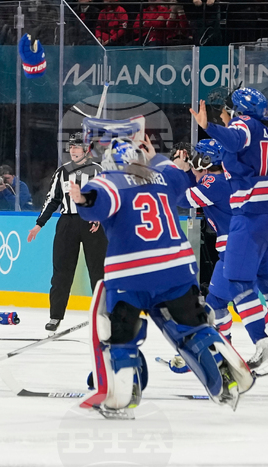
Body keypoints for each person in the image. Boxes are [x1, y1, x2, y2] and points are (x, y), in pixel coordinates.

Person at [72, 134, 253, 418]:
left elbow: (96, 203)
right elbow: (183, 181)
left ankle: (125, 387)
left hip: (131, 271)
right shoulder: (161, 175)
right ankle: (217, 360)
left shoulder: (109, 180)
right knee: (190, 325)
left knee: (118, 331)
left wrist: (82, 198)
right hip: (177, 268)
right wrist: (162, 159)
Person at [191, 87, 268, 376]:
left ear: (235, 112)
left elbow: (236, 137)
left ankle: (264, 347)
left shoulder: (243, 125)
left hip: (252, 216)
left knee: (238, 281)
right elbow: (242, 146)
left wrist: (208, 127)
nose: (223, 113)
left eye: (225, 110)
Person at [28, 133, 107, 332]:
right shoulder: (62, 172)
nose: (72, 150)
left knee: (98, 271)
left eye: (77, 147)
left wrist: (99, 215)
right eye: (71, 147)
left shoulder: (98, 171)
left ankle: (104, 314)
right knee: (61, 271)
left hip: (92, 223)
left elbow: (105, 198)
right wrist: (39, 224)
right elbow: (52, 199)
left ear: (87, 149)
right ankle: (55, 316)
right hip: (67, 223)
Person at [175, 139, 236, 340]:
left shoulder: (214, 183)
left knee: (243, 302)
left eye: (197, 156)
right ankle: (223, 346)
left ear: (206, 161)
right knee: (216, 302)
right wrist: (185, 171)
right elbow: (196, 186)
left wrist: (176, 172)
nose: (193, 160)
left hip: (236, 251)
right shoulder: (220, 179)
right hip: (234, 251)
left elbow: (183, 199)